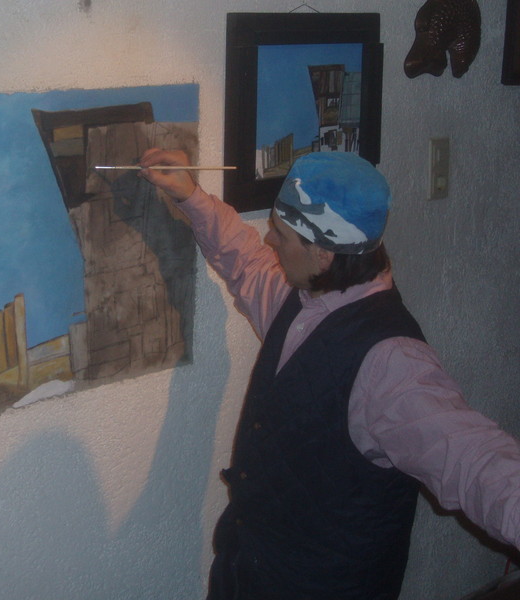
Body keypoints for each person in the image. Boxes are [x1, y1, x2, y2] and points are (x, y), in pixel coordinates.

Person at [138, 148, 520, 600]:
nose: (268, 240)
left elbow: (474, 460)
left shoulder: (391, 363)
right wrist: (190, 195)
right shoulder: (301, 298)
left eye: (281, 234)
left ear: (321, 254)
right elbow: (244, 260)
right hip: (248, 574)